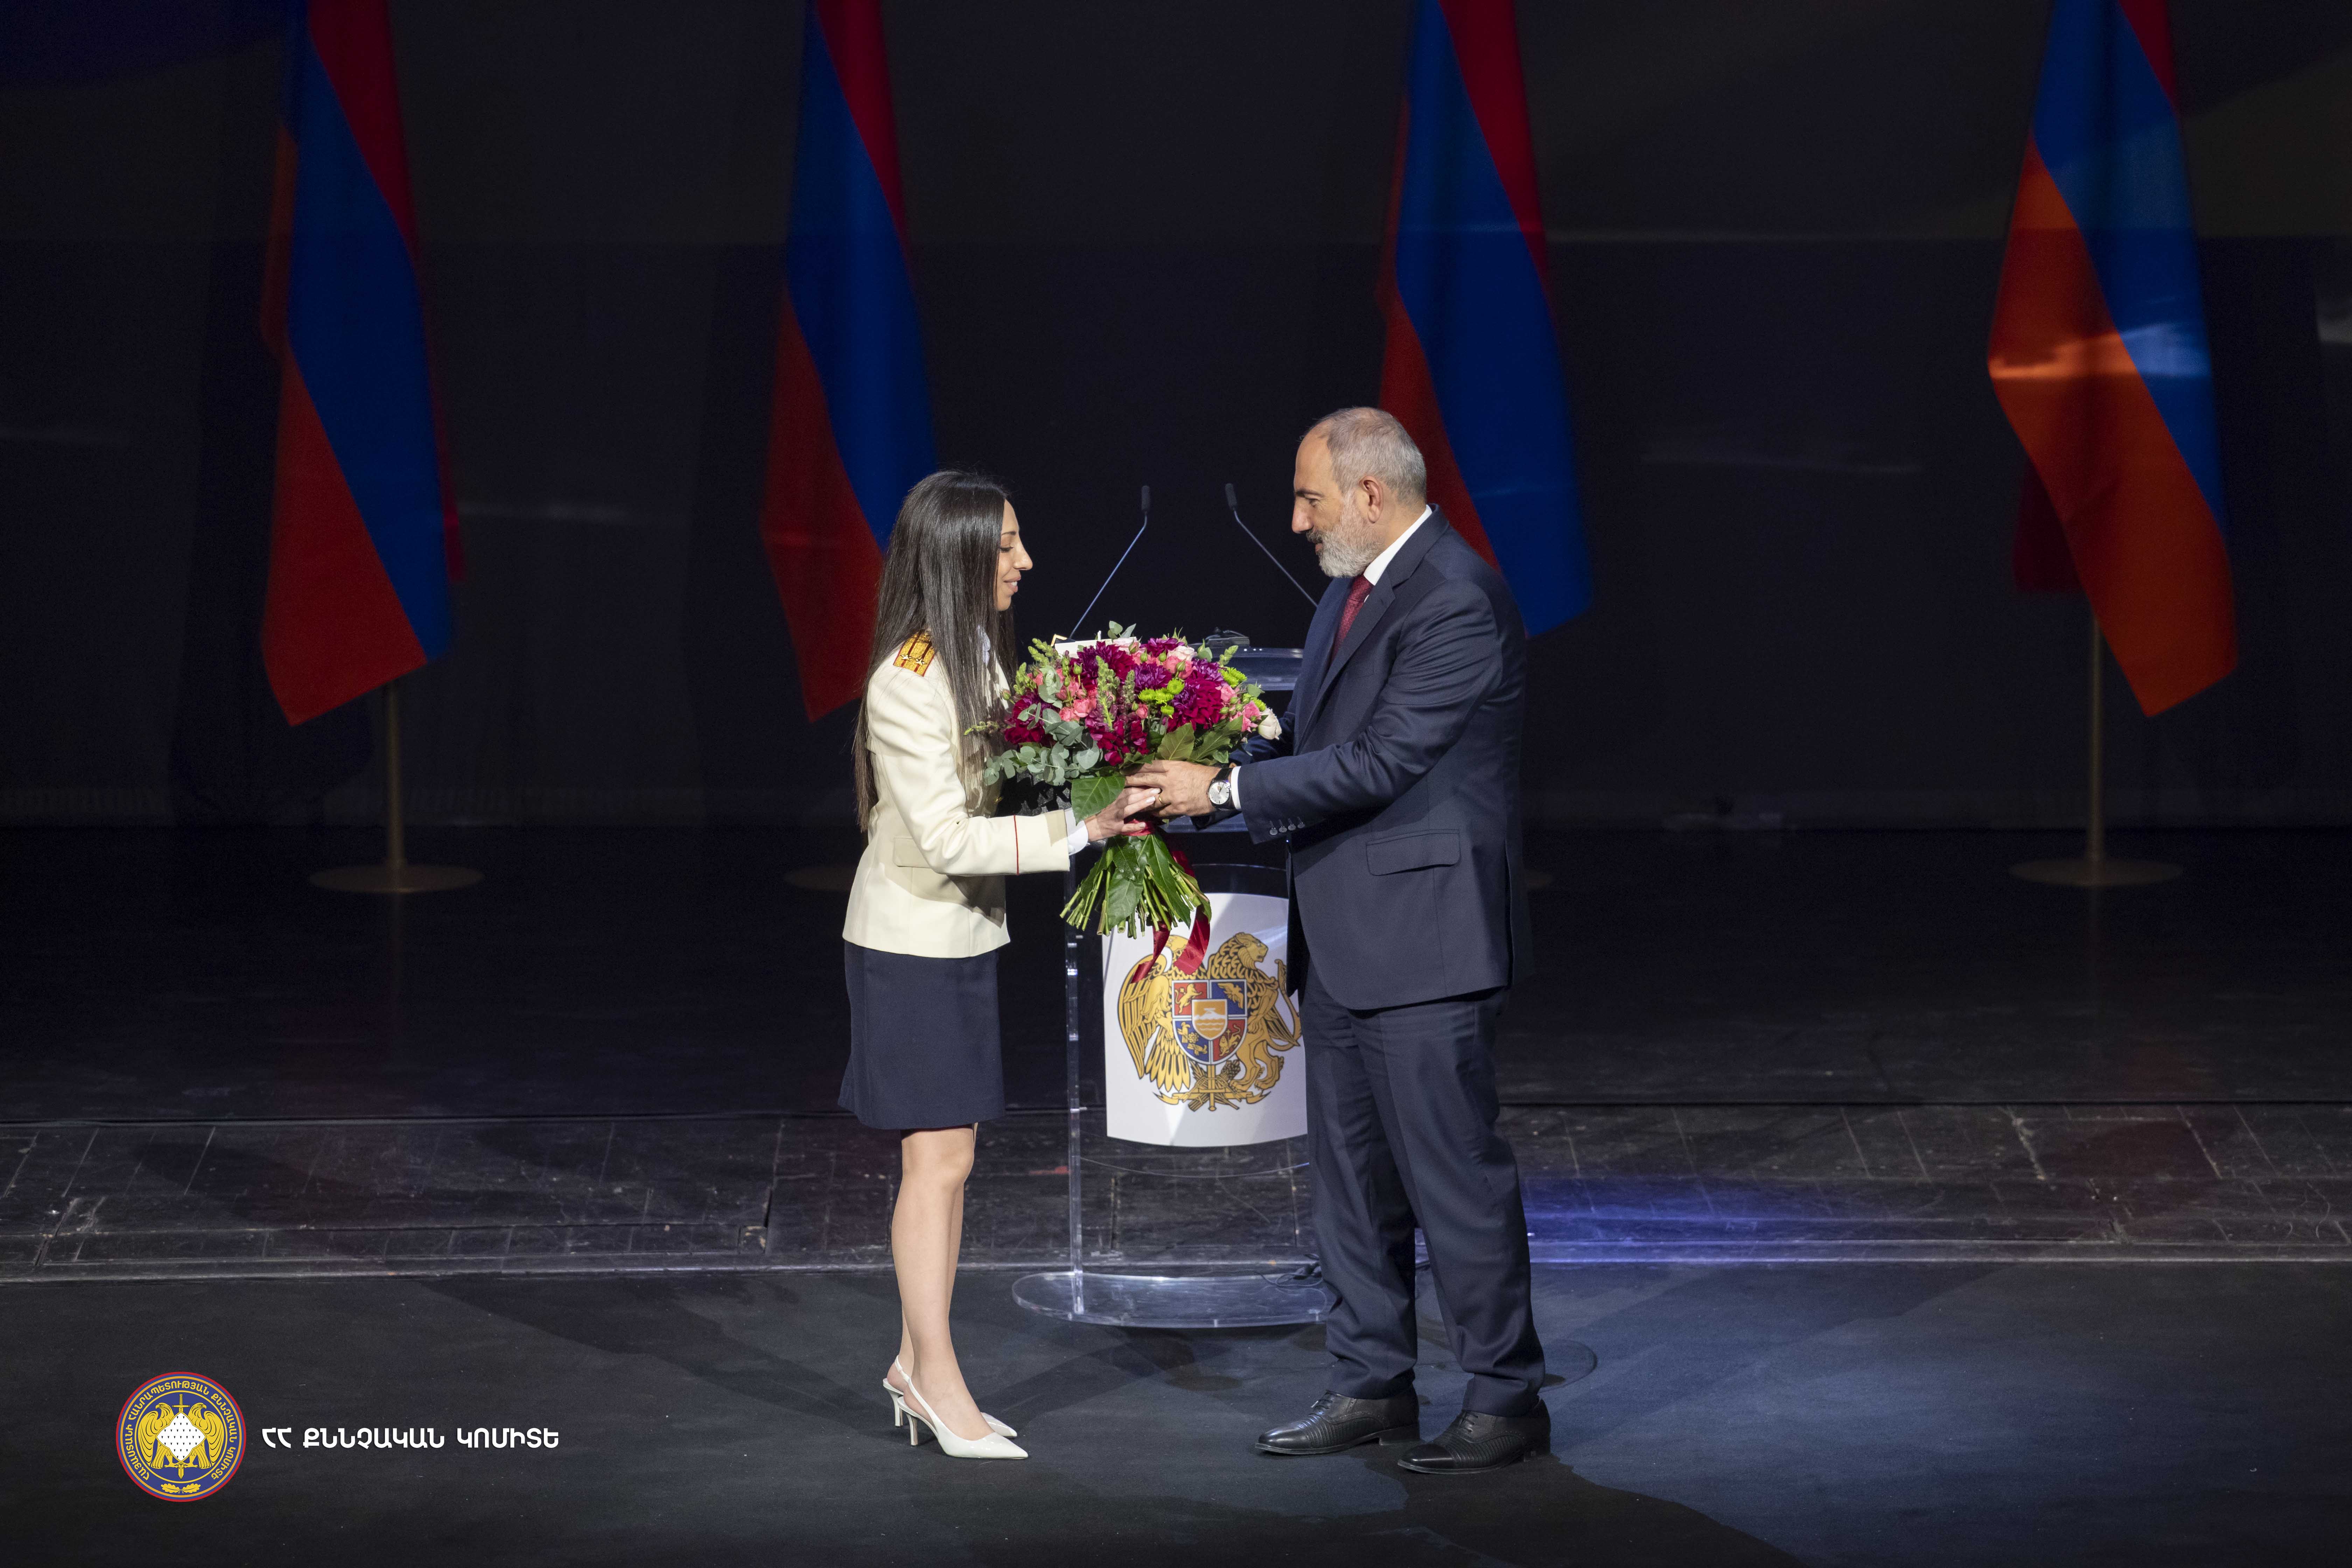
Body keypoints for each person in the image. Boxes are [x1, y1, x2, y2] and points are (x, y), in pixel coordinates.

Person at [1134, 409, 1548, 1474]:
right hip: (1345, 935)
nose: (1297, 519)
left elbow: (1384, 760)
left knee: (1451, 1181)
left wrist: (1225, 789)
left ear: (1371, 493)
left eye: (1310, 497)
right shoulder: (1349, 591)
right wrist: (1196, 744)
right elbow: (1320, 739)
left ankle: (1505, 1400)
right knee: (1352, 1188)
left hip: (1429, 943)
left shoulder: (1455, 597)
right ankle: (1371, 1386)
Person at [842, 470, 1157, 1461]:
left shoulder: (974, 649)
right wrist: (1080, 828)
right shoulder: (908, 676)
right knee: (936, 1164)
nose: (1025, 561)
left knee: (953, 1161)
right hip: (911, 946)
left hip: (959, 939)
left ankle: (915, 1363)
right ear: (959, 556)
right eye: (1007, 544)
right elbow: (945, 838)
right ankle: (936, 1379)